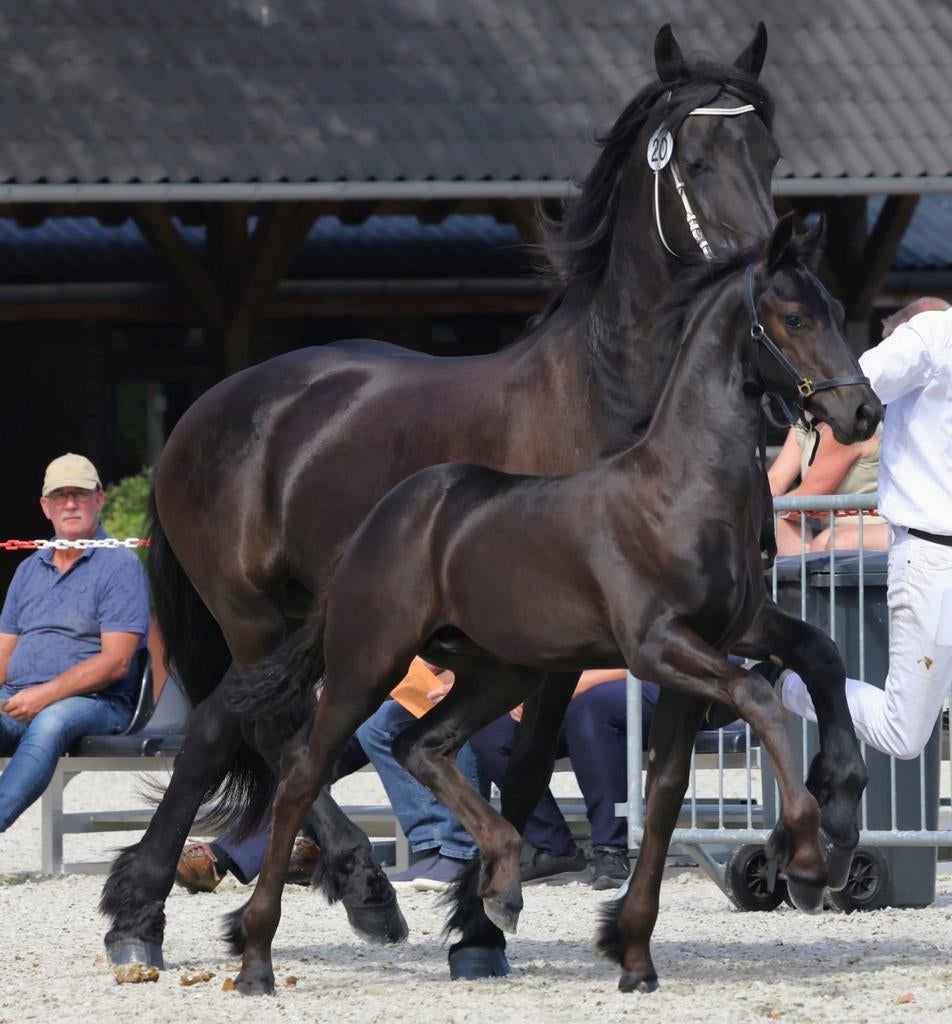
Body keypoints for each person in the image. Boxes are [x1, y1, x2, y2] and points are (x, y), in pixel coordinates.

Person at [178, 659, 574, 893]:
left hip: (492, 685)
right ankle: (236, 852)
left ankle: (448, 849)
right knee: (321, 743)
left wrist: (456, 680)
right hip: (429, 680)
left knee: (387, 723)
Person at [777, 297, 952, 759]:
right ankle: (787, 681)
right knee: (905, 737)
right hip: (935, 561)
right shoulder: (934, 337)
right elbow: (849, 385)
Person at [0, 454, 150, 831]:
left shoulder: (120, 565)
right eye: (60, 495)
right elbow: (4, 651)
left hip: (99, 703)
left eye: (79, 494)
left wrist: (44, 695)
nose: (70, 504)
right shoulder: (28, 569)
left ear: (98, 499)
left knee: (52, 721)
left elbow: (115, 662)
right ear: (45, 506)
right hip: (20, 698)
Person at [470, 670, 659, 890]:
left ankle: (610, 850)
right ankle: (553, 848)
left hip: (653, 680)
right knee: (491, 731)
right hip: (565, 688)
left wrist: (561, 688)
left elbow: (642, 657)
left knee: (590, 708)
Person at [768, 420, 887, 555]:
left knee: (833, 542)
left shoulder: (848, 424)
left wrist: (759, 508)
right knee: (761, 528)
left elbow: (809, 496)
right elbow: (775, 481)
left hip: (883, 529)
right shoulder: (803, 425)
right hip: (829, 532)